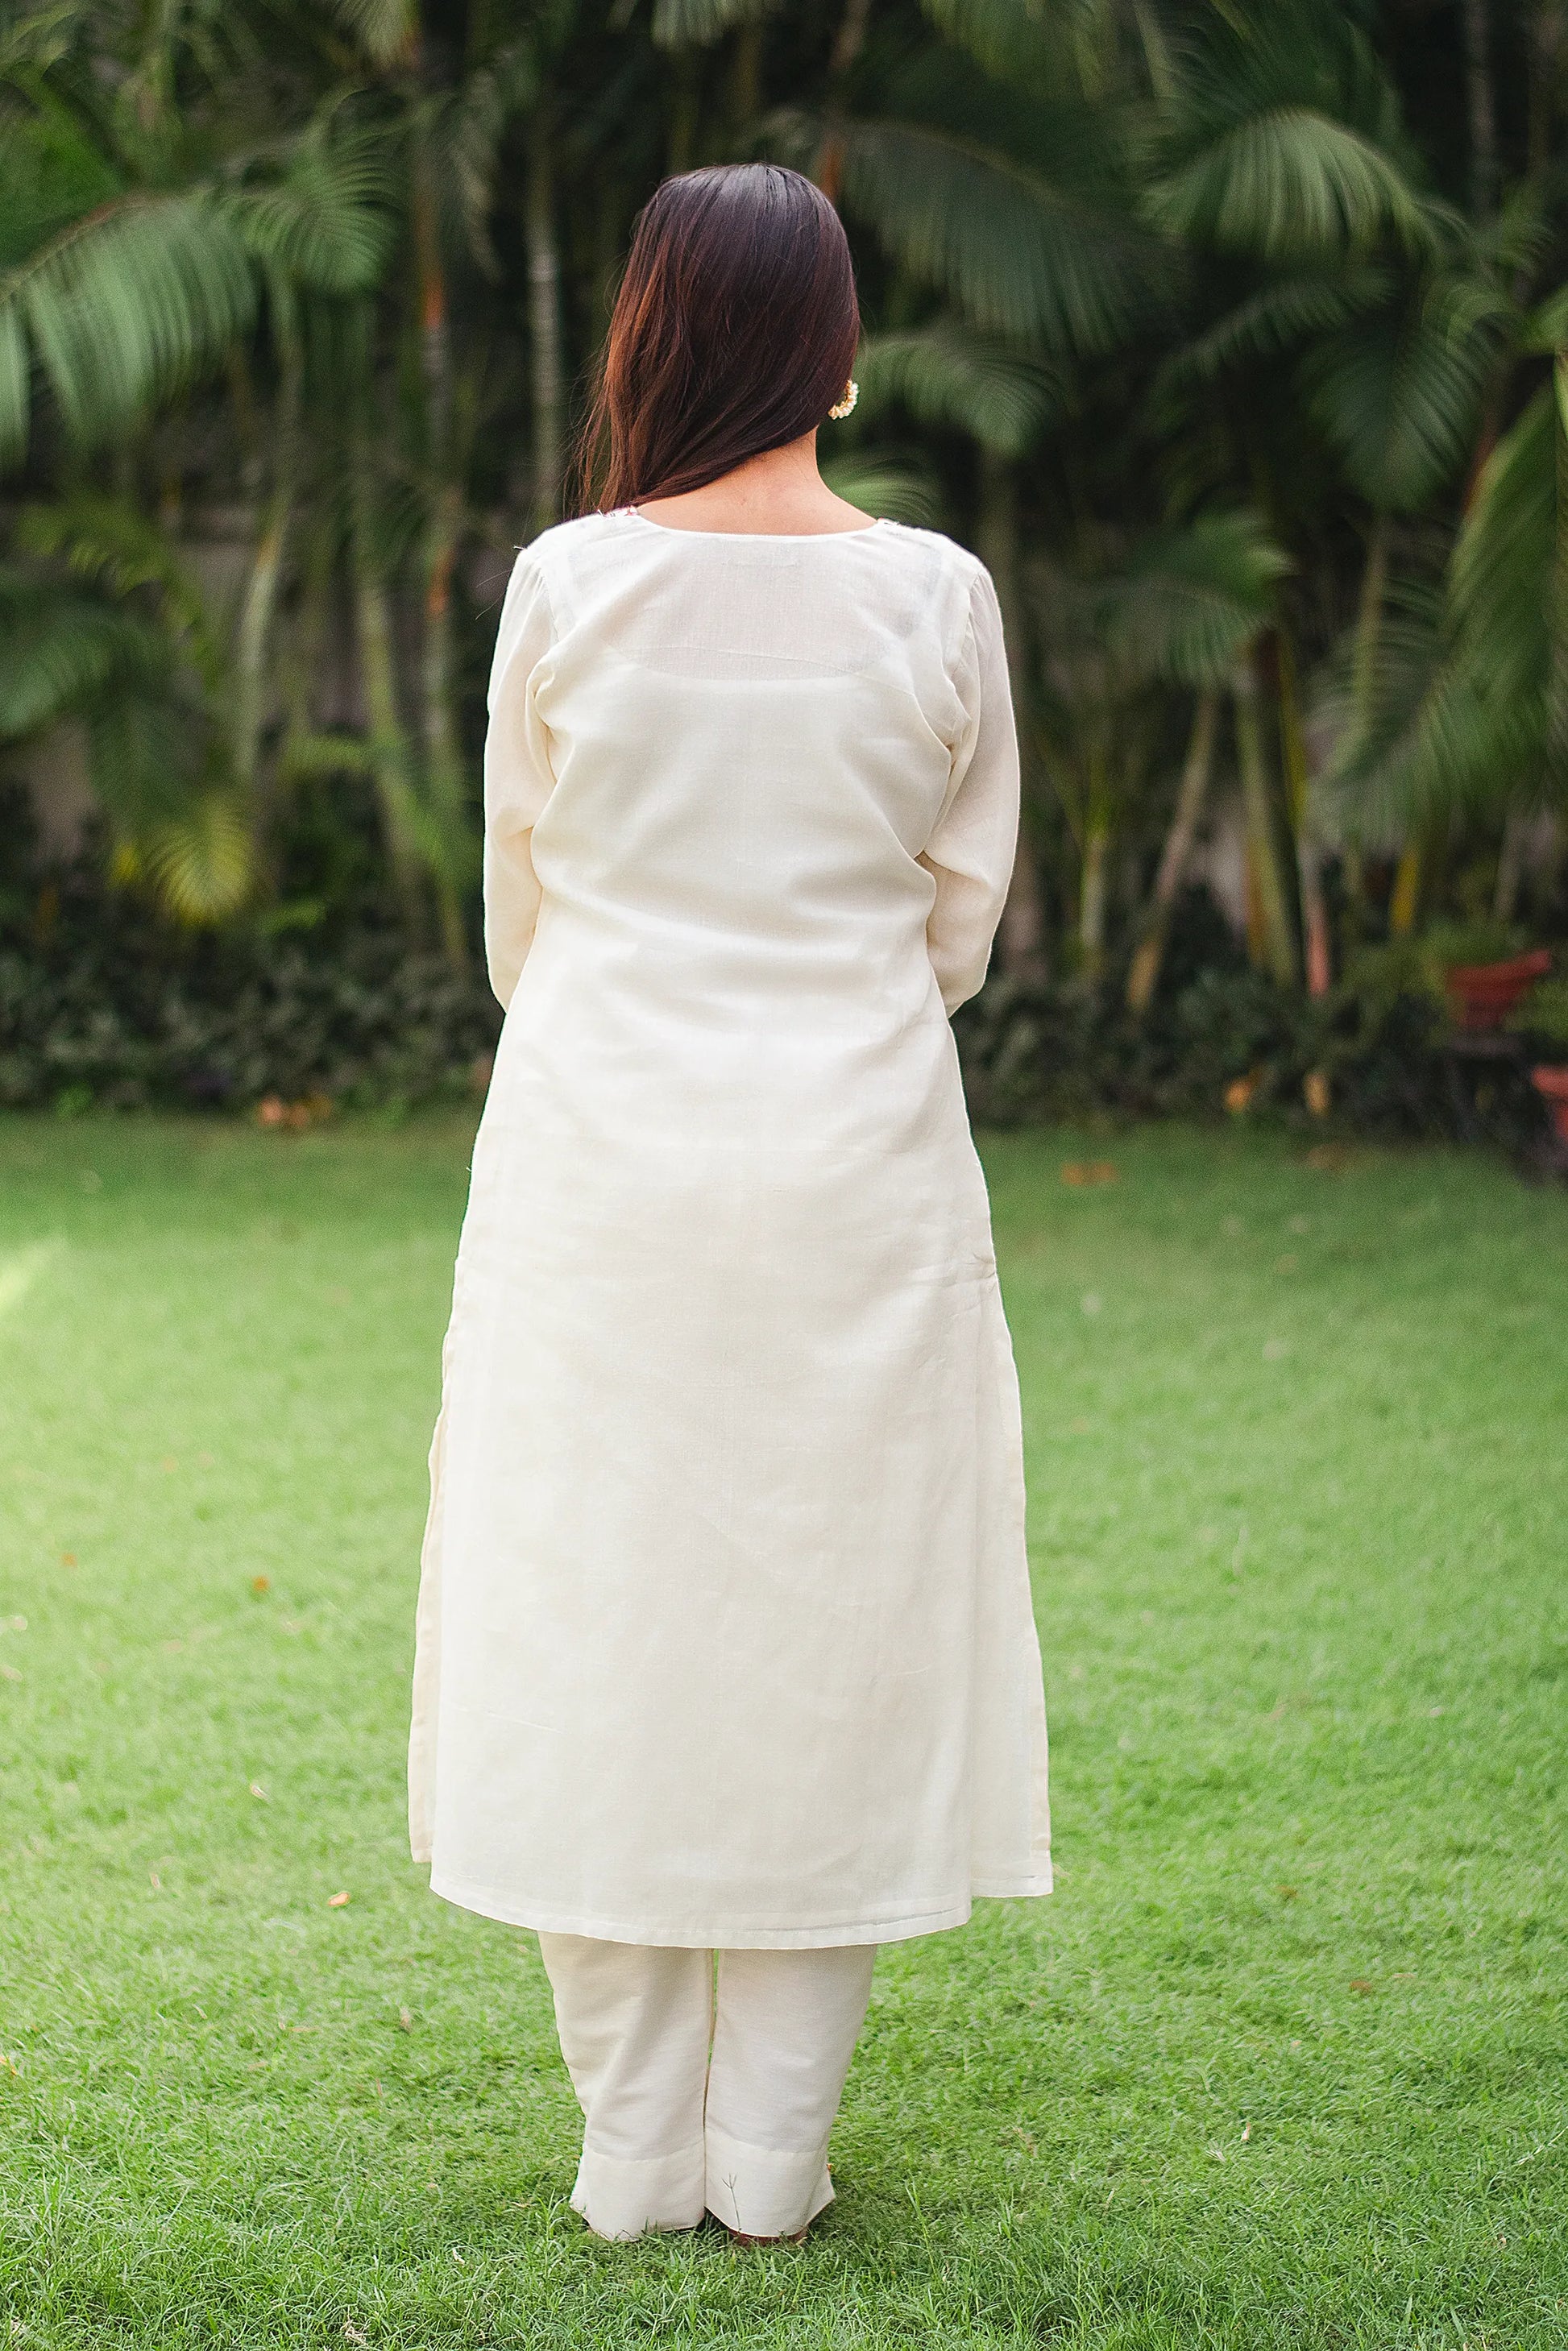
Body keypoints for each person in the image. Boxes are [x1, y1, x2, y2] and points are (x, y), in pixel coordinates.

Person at [409, 161, 1051, 2248]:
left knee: (590, 1628)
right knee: (828, 1642)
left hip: (600, 1172)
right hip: (855, 1177)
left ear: (644, 338)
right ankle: (768, 2159)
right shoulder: (937, 596)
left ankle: (632, 2151)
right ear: (838, 352)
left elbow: (519, 911)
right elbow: (957, 919)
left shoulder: (566, 586)